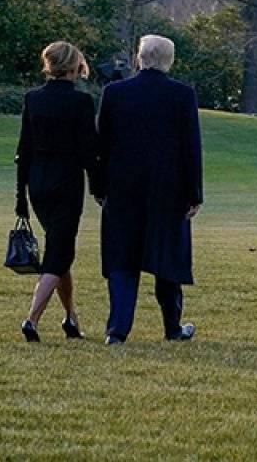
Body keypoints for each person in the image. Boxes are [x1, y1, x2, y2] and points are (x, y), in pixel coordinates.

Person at [96, 34, 203, 344]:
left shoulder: (114, 93)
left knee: (122, 259)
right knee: (167, 257)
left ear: (138, 58)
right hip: (168, 190)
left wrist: (99, 187)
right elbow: (191, 147)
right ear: (170, 60)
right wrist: (194, 193)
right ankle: (172, 326)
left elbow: (101, 145)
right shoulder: (182, 95)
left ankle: (117, 330)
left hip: (122, 188)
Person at [15, 41, 99, 342]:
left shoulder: (33, 99)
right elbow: (89, 151)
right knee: (60, 252)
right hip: (67, 182)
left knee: (58, 248)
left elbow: (23, 150)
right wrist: (99, 188)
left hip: (38, 181)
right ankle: (31, 319)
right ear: (75, 67)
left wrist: (20, 197)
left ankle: (70, 318)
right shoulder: (81, 102)